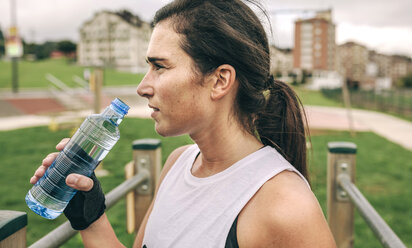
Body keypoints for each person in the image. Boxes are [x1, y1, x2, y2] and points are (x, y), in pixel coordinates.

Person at [30, 0, 337, 247]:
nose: (143, 86)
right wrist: (91, 216)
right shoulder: (178, 163)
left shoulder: (285, 206)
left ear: (220, 81)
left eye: (159, 67)